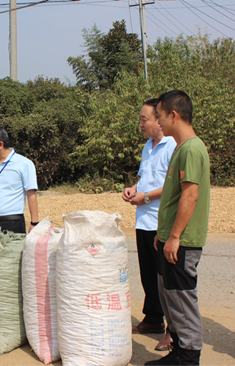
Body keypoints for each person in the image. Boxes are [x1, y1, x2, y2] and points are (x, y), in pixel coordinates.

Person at [145, 90, 210, 366]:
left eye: (159, 116)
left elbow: (190, 195)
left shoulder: (192, 149)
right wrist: (164, 236)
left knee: (182, 300)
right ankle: (179, 351)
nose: (157, 122)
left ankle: (189, 357)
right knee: (170, 295)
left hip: (182, 241)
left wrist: (174, 237)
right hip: (171, 239)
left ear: (173, 115)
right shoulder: (181, 148)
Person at [123, 99, 176, 352]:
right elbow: (145, 176)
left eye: (144, 119)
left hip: (161, 220)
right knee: (147, 274)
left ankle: (173, 330)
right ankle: (153, 319)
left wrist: (146, 196)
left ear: (160, 119)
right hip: (143, 219)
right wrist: (134, 189)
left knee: (166, 278)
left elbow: (173, 186)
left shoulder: (173, 145)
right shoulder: (148, 146)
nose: (141, 124)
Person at [0, 126, 39, 237]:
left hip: (12, 222)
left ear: (0, 144)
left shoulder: (24, 164)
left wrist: (34, 223)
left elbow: (31, 195)